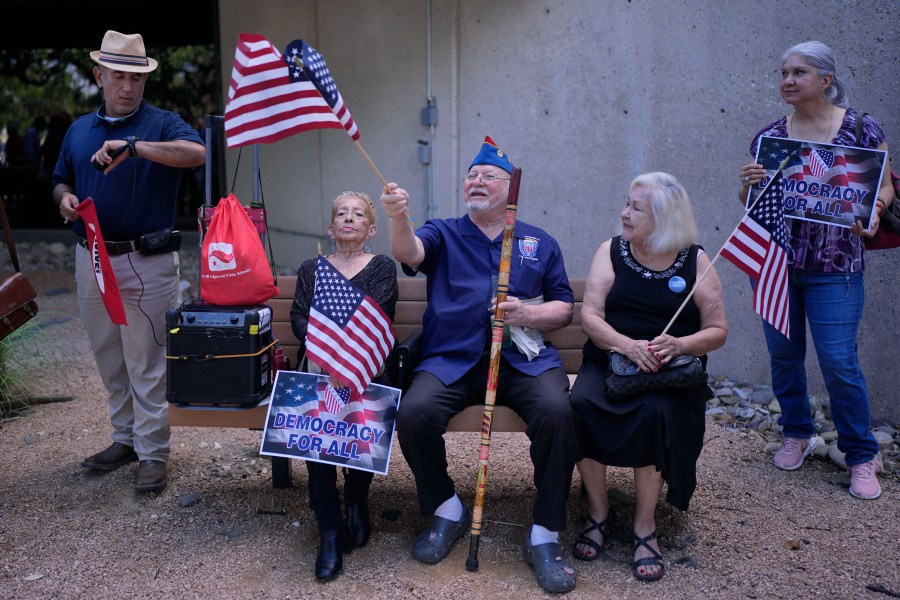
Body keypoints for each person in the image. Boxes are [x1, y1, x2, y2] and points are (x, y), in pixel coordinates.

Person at [380, 137, 579, 594]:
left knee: (557, 414)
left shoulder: (537, 241)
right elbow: (409, 253)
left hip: (521, 359)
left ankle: (545, 531)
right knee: (413, 415)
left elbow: (564, 308)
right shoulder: (443, 232)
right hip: (455, 358)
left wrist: (528, 314)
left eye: (488, 175)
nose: (476, 181)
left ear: (510, 189)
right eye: (471, 175)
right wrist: (397, 217)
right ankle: (446, 507)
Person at [738, 41, 893, 500]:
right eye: (784, 72)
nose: (788, 80)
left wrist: (877, 209)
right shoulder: (770, 136)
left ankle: (862, 454)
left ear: (826, 80)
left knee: (839, 362)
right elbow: (755, 207)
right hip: (776, 265)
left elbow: (883, 187)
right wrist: (744, 185)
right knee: (784, 358)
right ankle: (797, 432)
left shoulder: (862, 128)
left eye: (799, 72)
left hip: (837, 266)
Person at [51, 31, 205, 492]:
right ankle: (125, 440)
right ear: (99, 76)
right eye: (118, 76)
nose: (128, 87)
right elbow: (58, 179)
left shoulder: (161, 123)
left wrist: (136, 146)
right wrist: (65, 199)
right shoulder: (79, 130)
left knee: (147, 358)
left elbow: (197, 153)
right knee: (108, 355)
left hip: (146, 260)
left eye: (136, 78)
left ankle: (153, 453)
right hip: (91, 258)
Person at [569, 172, 727, 582]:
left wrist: (681, 345)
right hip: (610, 358)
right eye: (626, 203)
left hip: (665, 371)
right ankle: (598, 512)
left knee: (656, 412)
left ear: (663, 217)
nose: (624, 213)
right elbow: (590, 316)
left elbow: (717, 330)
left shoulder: (695, 259)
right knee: (581, 404)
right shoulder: (611, 250)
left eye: (635, 208)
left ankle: (644, 525)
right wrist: (625, 345)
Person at [289, 191, 398, 581]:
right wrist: (330, 360)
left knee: (357, 436)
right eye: (341, 214)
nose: (348, 219)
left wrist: (347, 364)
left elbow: (379, 315)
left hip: (367, 370)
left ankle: (357, 501)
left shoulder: (382, 267)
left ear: (370, 229)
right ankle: (330, 531)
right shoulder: (311, 270)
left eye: (357, 215)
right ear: (330, 227)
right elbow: (299, 315)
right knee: (318, 441)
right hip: (320, 369)